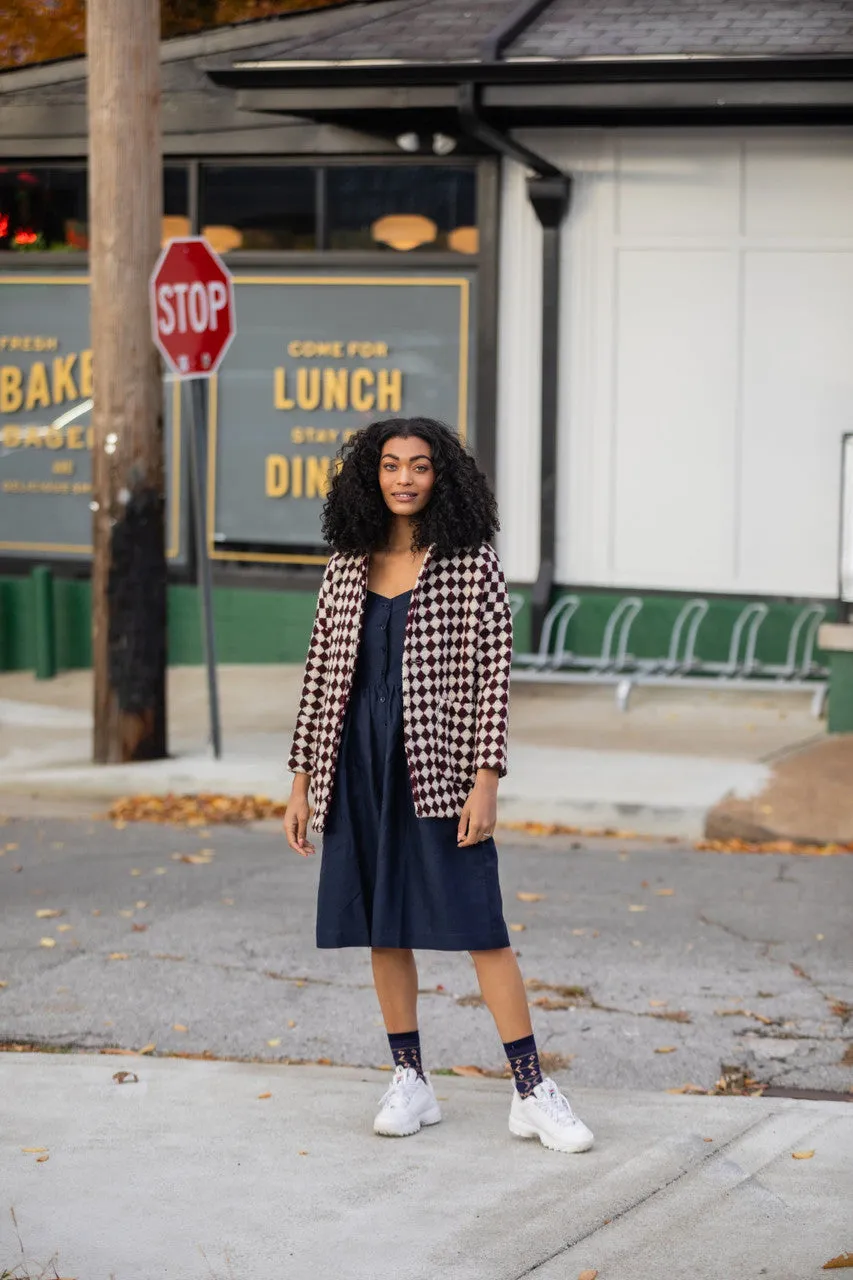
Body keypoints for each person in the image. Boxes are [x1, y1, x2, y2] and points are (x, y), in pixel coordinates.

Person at [283, 416, 593, 1154]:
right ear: (370, 476)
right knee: (380, 925)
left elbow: (493, 682)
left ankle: (530, 1090)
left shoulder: (469, 563)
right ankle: (410, 1080)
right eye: (390, 465)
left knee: (480, 926)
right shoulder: (345, 565)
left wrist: (485, 780)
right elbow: (320, 678)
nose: (403, 479)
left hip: (438, 766)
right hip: (356, 762)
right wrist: (300, 783)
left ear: (440, 476)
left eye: (418, 466)